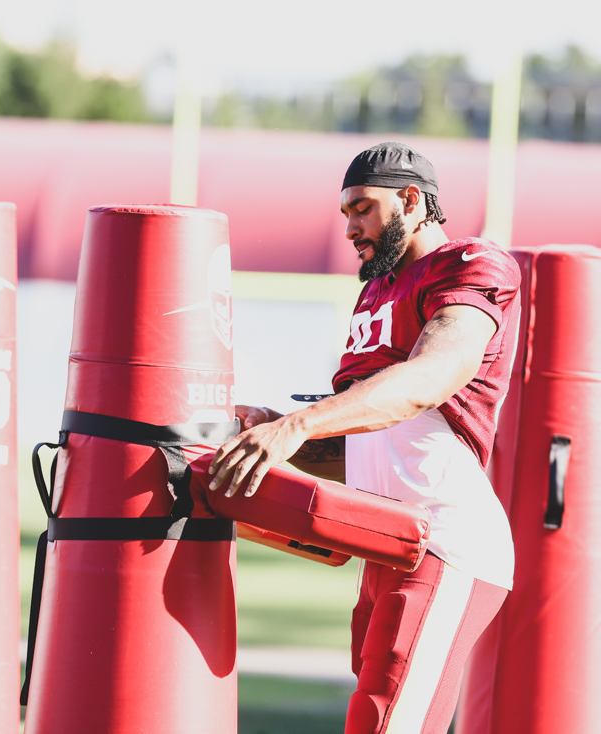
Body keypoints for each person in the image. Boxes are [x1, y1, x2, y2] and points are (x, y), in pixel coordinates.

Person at [207, 142, 520, 734]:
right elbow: (366, 442)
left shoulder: (472, 263)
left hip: (443, 540)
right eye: (345, 212)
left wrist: (296, 424)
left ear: (410, 199)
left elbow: (429, 380)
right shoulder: (376, 291)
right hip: (388, 542)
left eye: (362, 209)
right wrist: (267, 430)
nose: (350, 227)